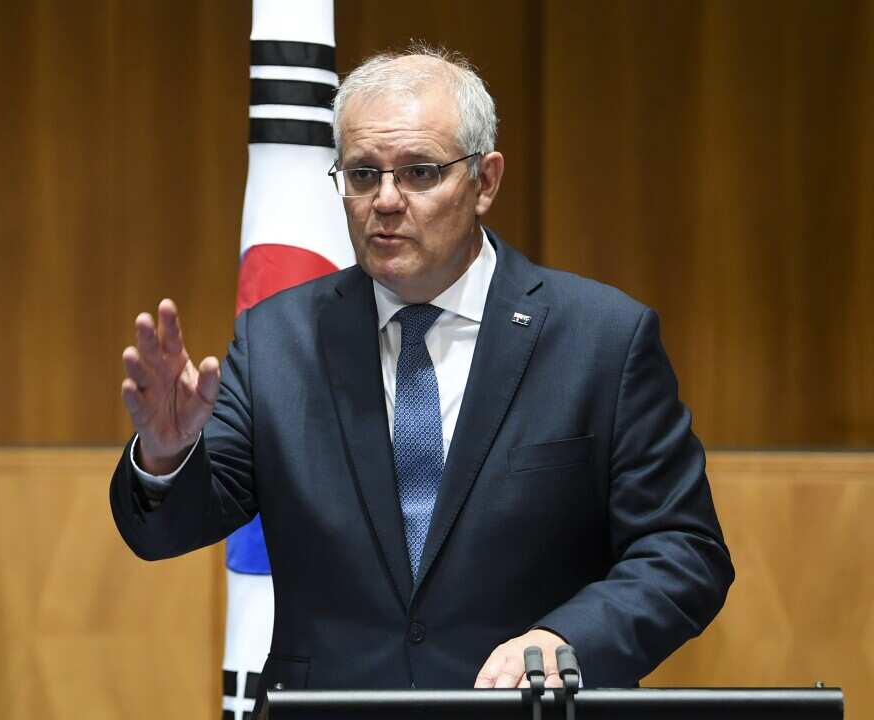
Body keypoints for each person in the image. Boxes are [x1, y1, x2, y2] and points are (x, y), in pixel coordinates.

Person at [109, 46, 733, 710]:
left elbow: (684, 550)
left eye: (420, 172)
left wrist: (566, 639)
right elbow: (164, 531)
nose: (385, 201)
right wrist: (166, 457)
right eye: (361, 174)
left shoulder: (601, 340)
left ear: (484, 181)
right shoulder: (278, 341)